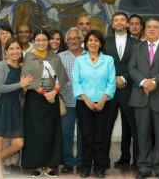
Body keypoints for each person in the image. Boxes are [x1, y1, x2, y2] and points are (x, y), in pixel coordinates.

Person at [128, 18, 159, 179]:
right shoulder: (137, 48)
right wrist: (144, 82)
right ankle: (144, 167)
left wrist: (154, 82)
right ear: (145, 30)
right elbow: (132, 68)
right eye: (148, 27)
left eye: (155, 27)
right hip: (141, 97)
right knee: (142, 135)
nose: (151, 29)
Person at [21, 29, 69, 177]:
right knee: (35, 132)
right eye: (38, 40)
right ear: (33, 42)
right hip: (34, 99)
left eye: (44, 40)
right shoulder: (29, 57)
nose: (41, 43)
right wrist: (44, 93)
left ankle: (49, 165)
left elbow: (61, 77)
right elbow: (27, 80)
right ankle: (35, 165)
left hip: (52, 99)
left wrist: (54, 92)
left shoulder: (54, 57)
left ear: (48, 42)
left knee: (51, 132)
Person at [0, 38, 34, 179]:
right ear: (6, 52)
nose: (15, 51)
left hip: (14, 108)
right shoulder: (0, 65)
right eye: (11, 49)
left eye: (17, 48)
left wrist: (23, 88)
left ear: (21, 51)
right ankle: (0, 176)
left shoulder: (23, 68)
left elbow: (21, 93)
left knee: (18, 143)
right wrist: (20, 84)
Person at [73, 29, 116, 178]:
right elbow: (76, 82)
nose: (93, 43)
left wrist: (103, 100)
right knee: (86, 136)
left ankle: (100, 167)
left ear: (101, 43)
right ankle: (85, 167)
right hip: (84, 102)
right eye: (90, 40)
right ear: (86, 43)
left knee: (101, 137)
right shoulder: (79, 60)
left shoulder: (108, 60)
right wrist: (87, 100)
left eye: (96, 40)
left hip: (104, 103)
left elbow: (112, 82)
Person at [103, 12, 140, 169]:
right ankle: (103, 161)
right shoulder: (104, 43)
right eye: (116, 20)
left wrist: (124, 78)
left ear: (127, 24)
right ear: (112, 24)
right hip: (110, 92)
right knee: (106, 127)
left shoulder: (137, 44)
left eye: (122, 20)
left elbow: (138, 65)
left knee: (133, 127)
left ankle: (137, 161)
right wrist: (114, 80)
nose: (119, 22)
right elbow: (101, 65)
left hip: (130, 89)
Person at [58, 27, 85, 174]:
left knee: (83, 133)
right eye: (70, 39)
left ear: (81, 40)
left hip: (85, 101)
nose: (73, 41)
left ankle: (81, 162)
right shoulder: (60, 56)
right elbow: (54, 77)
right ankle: (68, 162)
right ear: (66, 41)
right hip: (66, 101)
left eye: (76, 38)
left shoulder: (89, 55)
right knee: (65, 133)